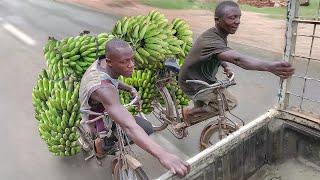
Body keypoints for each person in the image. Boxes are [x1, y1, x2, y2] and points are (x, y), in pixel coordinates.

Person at [79, 39, 190, 177]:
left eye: (132, 59)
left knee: (147, 128)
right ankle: (100, 145)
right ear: (109, 62)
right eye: (124, 62)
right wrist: (163, 155)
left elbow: (111, 78)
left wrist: (129, 88)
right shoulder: (103, 88)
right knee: (131, 130)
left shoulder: (105, 64)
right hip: (95, 116)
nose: (131, 65)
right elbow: (129, 126)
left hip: (107, 105)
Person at [178, 0, 294, 124]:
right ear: (217, 20)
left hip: (203, 79)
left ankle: (192, 115)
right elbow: (238, 59)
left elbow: (217, 55)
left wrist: (225, 66)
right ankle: (188, 113)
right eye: (232, 18)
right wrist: (269, 66)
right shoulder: (211, 40)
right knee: (229, 102)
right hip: (193, 83)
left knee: (209, 104)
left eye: (239, 17)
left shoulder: (218, 34)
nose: (237, 21)